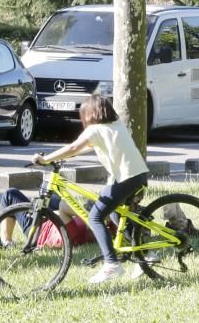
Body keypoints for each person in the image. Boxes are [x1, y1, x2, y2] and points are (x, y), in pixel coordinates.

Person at [34, 94, 150, 284]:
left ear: (89, 114)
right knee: (114, 214)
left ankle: (111, 264)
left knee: (95, 217)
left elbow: (73, 147)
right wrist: (63, 155)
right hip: (138, 177)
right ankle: (146, 255)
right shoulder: (115, 125)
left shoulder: (94, 130)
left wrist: (46, 159)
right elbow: (82, 148)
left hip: (124, 179)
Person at [0, 188, 95, 249]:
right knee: (50, 191)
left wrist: (85, 213)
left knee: (10, 194)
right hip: (52, 220)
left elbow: (63, 207)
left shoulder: (74, 233)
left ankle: (6, 242)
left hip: (38, 229)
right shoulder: (90, 229)